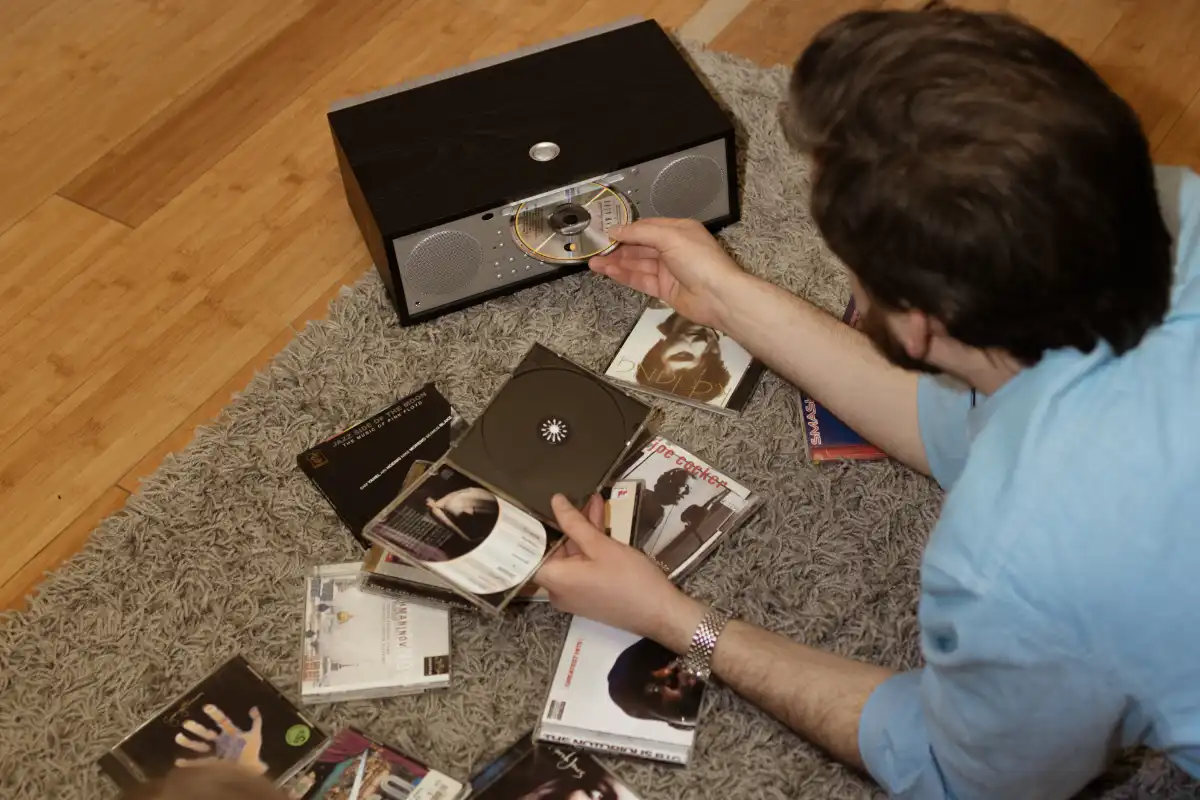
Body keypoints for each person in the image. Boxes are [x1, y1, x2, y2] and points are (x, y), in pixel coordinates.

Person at [535, 6, 1200, 800]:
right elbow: (973, 422)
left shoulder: (1014, 561)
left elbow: (953, 772)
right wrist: (730, 296)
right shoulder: (1174, 205)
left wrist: (678, 620)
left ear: (921, 320)